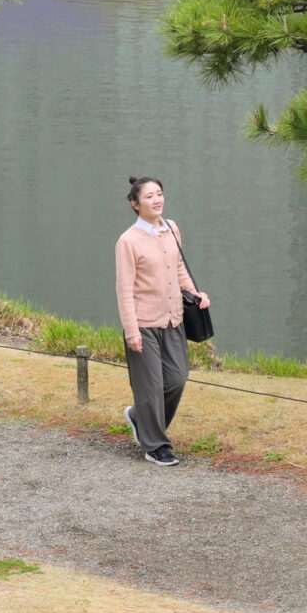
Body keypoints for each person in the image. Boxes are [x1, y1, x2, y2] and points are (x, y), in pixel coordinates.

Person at [114, 175, 208, 466]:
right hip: (143, 323)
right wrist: (132, 331)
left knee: (177, 379)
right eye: (149, 197)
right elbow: (124, 289)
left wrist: (194, 292)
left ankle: (139, 417)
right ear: (135, 204)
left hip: (174, 318)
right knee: (150, 387)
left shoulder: (171, 229)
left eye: (159, 194)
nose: (156, 200)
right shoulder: (128, 241)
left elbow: (178, 268)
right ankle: (155, 445)